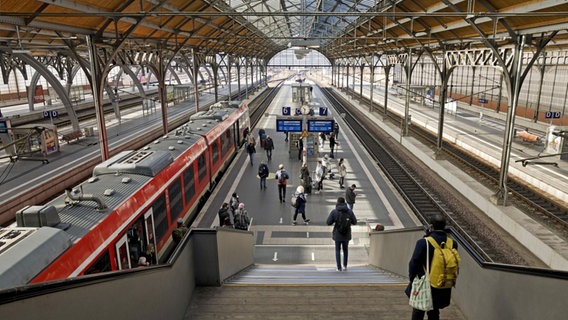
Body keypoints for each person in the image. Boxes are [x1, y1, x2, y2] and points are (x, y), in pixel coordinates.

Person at [405, 215, 458, 320]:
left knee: (418, 310)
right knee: (434, 311)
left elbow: (413, 263)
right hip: (442, 283)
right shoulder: (452, 243)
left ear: (431, 226)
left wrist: (412, 279)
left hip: (425, 281)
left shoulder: (423, 242)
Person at [326, 197, 357, 271]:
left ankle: (339, 267)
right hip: (347, 234)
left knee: (337, 250)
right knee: (345, 249)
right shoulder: (349, 211)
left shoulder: (334, 211)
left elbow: (328, 222)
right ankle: (345, 266)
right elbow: (354, 222)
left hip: (337, 234)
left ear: (337, 202)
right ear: (344, 202)